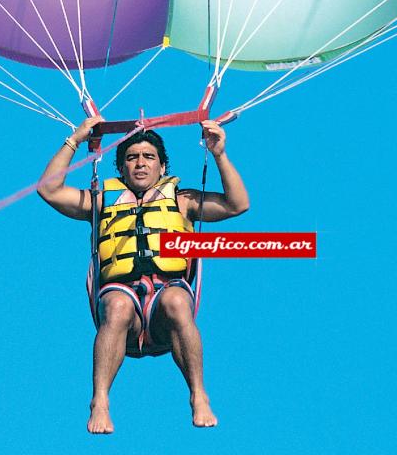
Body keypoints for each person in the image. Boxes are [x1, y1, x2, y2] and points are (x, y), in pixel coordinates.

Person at [37, 116, 250, 433]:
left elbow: (238, 204)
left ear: (162, 167)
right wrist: (75, 140)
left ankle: (198, 395)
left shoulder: (182, 201)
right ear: (121, 168)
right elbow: (49, 189)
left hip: (167, 303)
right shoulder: (101, 202)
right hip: (122, 304)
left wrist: (218, 153)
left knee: (177, 301)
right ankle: (100, 401)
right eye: (131, 158)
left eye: (148, 157)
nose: (140, 163)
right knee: (118, 306)